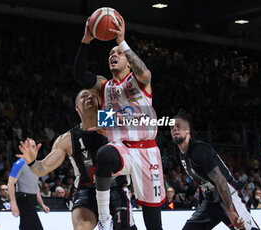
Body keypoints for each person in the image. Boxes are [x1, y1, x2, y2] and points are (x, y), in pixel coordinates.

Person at [73, 14, 165, 230]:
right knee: (104, 155)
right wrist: (86, 40)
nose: (114, 55)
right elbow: (79, 75)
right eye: (111, 54)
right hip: (122, 149)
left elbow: (144, 71)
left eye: (118, 53)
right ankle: (104, 218)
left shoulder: (139, 80)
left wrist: (121, 41)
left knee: (154, 223)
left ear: (128, 59)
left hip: (147, 152)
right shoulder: (104, 86)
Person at [17, 89, 136, 230]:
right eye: (85, 96)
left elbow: (143, 128)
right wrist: (31, 161)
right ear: (77, 107)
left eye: (93, 96)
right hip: (87, 190)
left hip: (116, 188)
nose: (90, 97)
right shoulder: (67, 139)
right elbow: (42, 169)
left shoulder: (113, 120)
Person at [170, 110, 260, 230]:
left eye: (178, 126)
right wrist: (201, 202)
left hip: (228, 196)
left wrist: (230, 211)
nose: (174, 129)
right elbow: (202, 181)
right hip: (211, 201)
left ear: (188, 130)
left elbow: (220, 180)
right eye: (172, 127)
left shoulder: (199, 150)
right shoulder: (182, 155)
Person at [7, 139, 50, 230]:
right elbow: (10, 183)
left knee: (25, 227)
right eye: (30, 146)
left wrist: (42, 204)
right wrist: (13, 204)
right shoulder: (20, 163)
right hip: (24, 200)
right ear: (25, 148)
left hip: (32, 200)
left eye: (34, 146)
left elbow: (35, 186)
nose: (33, 148)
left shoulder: (36, 165)